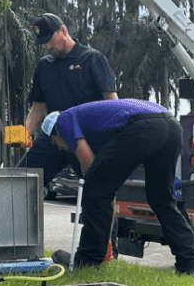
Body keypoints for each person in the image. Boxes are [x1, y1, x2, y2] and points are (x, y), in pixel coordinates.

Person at [42, 99, 194, 274]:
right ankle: (189, 264)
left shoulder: (63, 120)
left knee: (95, 188)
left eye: (56, 143)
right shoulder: (91, 123)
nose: (61, 148)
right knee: (162, 199)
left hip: (145, 125)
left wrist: (98, 187)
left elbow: (87, 160)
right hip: (171, 126)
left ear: (55, 132)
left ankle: (88, 259)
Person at [19, 13, 119, 259]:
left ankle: (106, 251)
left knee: (99, 192)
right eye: (43, 42)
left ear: (63, 31)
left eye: (50, 39)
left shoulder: (92, 59)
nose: (47, 46)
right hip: (53, 136)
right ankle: (16, 245)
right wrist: (26, 130)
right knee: (21, 182)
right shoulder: (45, 65)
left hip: (87, 138)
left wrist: (112, 143)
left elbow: (112, 103)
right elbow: (39, 106)